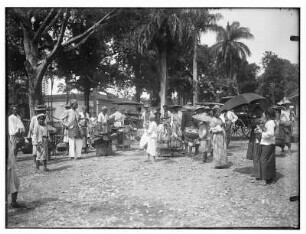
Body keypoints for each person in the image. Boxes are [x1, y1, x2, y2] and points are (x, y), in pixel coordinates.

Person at [256, 108, 277, 185]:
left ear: (268, 115)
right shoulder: (271, 122)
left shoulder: (270, 122)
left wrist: (261, 133)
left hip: (267, 144)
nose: (263, 115)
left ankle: (264, 179)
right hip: (271, 143)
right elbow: (269, 131)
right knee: (270, 161)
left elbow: (270, 133)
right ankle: (271, 177)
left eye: (264, 114)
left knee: (263, 160)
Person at [246, 104, 264, 178]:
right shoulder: (263, 119)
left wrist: (250, 115)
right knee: (260, 155)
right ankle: (261, 172)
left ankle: (258, 174)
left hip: (257, 138)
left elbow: (253, 122)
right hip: (261, 139)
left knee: (256, 155)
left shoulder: (257, 120)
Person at [7, 139, 22, 208]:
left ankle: (13, 202)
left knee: (16, 183)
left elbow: (13, 152)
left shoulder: (9, 140)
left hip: (10, 166)